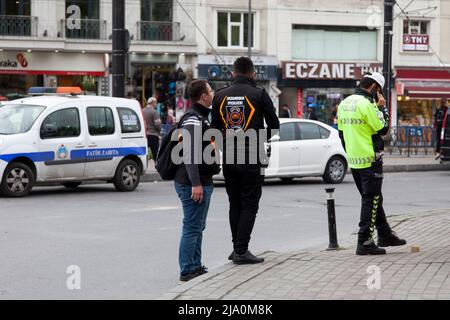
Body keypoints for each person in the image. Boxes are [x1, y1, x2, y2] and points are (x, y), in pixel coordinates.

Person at [211, 56, 280, 265]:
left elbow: (214, 129)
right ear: (253, 74)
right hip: (253, 156)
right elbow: (275, 125)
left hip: (230, 155)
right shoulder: (259, 94)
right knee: (250, 203)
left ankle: (237, 248)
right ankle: (241, 250)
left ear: (233, 73)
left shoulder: (220, 95)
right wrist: (260, 139)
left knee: (235, 203)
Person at [338, 72, 406, 256]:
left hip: (354, 159)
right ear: (374, 88)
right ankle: (365, 241)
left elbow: (341, 133)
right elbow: (383, 128)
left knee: (374, 197)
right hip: (370, 158)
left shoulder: (345, 103)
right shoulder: (367, 104)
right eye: (379, 91)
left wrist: (351, 152)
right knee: (371, 199)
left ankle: (385, 234)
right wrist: (382, 108)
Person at [175, 79, 220, 282]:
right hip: (193, 182)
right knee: (192, 227)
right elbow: (189, 153)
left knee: (198, 226)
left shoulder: (201, 116)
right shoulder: (193, 118)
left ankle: (195, 265)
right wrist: (196, 183)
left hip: (202, 180)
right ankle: (187, 270)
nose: (213, 94)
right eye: (211, 91)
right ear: (203, 96)